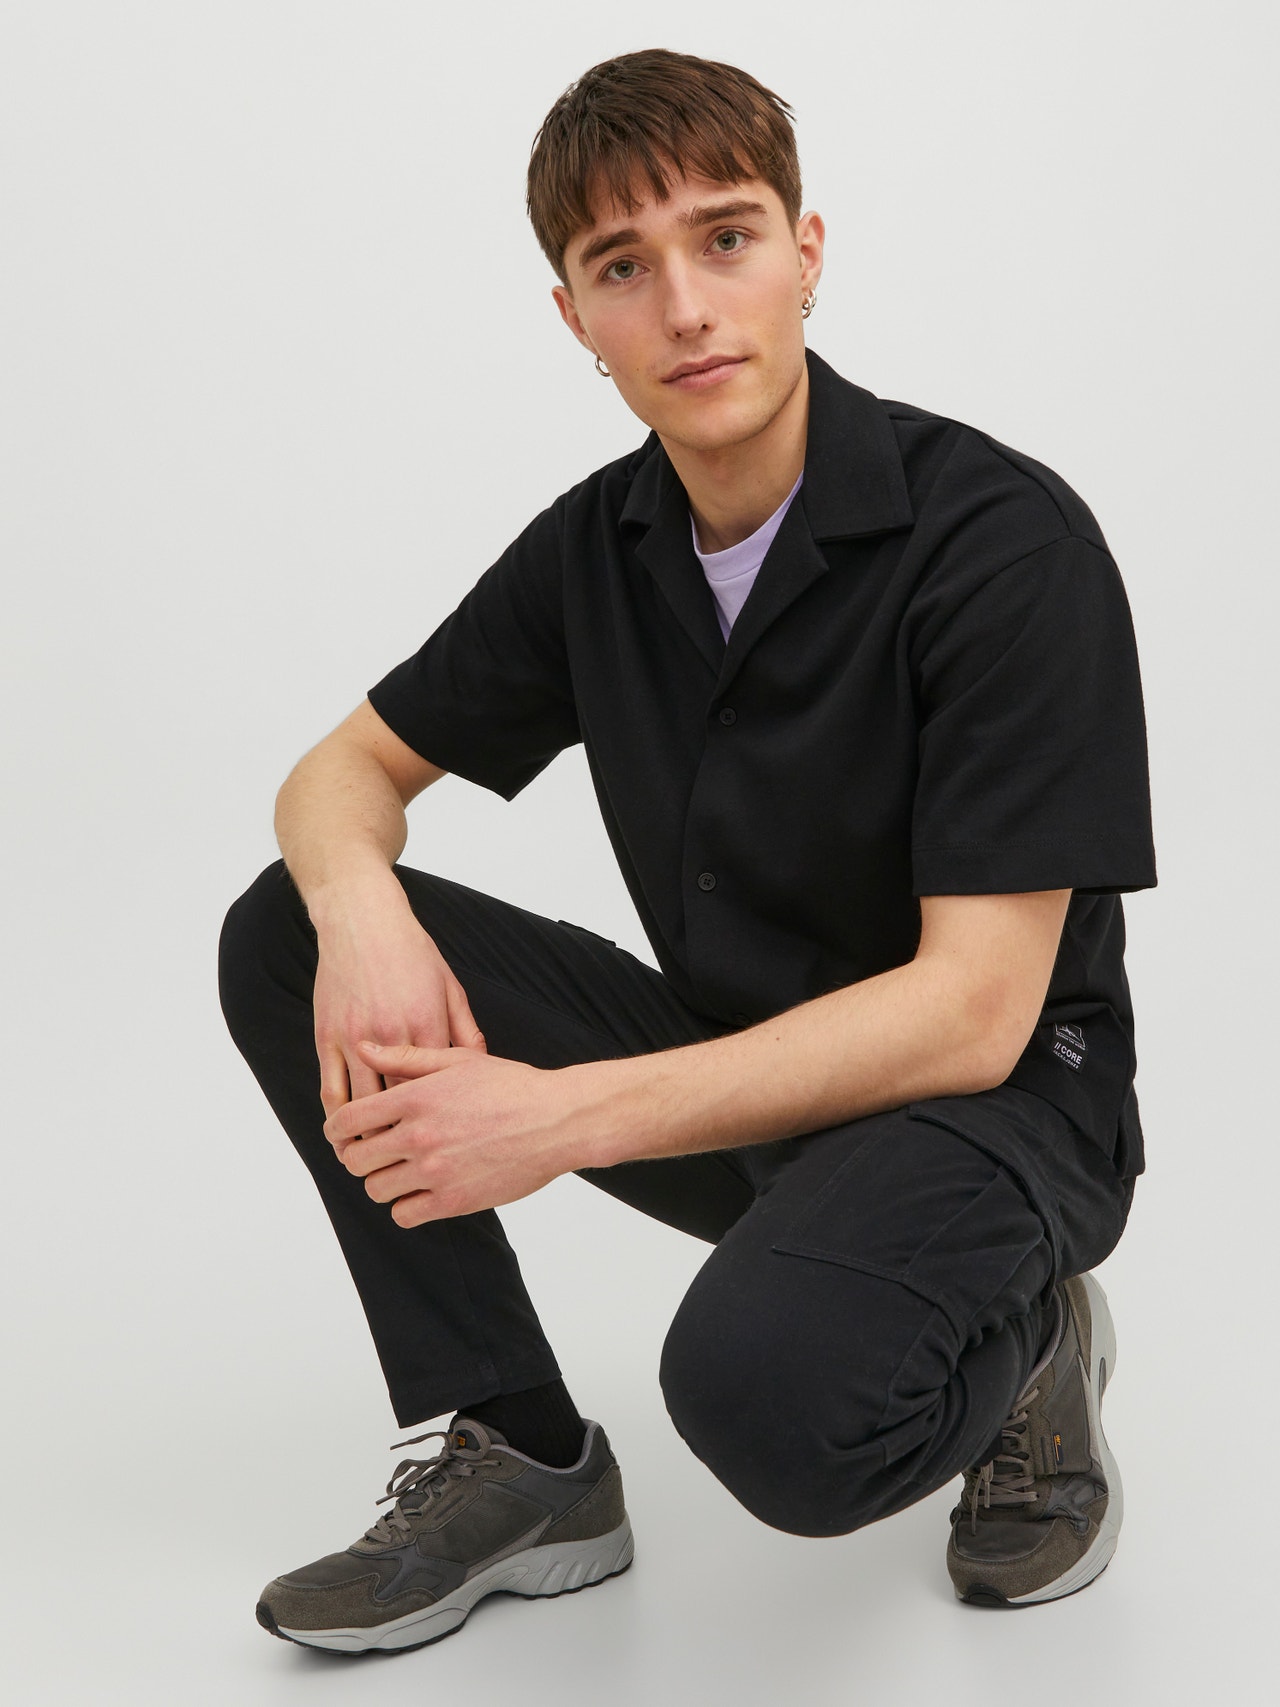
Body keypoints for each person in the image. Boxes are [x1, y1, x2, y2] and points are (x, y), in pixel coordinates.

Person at [218, 47, 1156, 1655]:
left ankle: (1033, 1339)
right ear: (575, 318)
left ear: (806, 249)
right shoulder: (602, 544)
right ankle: (518, 1450)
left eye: (725, 238)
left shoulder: (1003, 544)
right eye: (622, 267)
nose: (687, 308)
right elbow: (341, 774)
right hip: (746, 1078)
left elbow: (973, 1012)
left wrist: (553, 1119)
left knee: (773, 1406)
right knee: (289, 929)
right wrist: (359, 906)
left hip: (997, 1114)